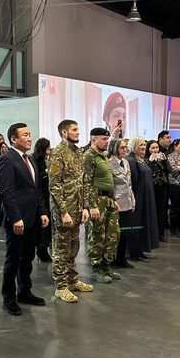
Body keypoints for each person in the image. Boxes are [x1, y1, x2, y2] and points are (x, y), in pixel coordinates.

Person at [0, 123, 49, 315]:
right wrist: (15, 218)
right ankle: (8, 297)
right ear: (13, 138)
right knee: (13, 259)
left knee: (28, 257)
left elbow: (37, 190)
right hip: (17, 220)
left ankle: (24, 292)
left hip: (32, 217)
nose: (29, 138)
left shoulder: (30, 159)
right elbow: (7, 192)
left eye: (29, 134)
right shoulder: (7, 159)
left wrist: (42, 211)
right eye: (25, 135)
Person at [48, 119, 92, 303]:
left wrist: (85, 207)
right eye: (74, 130)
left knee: (73, 247)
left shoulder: (77, 152)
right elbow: (54, 186)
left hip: (77, 209)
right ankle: (61, 287)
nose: (78, 132)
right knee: (61, 249)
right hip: (63, 211)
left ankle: (72, 281)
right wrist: (63, 212)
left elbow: (83, 182)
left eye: (78, 129)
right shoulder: (57, 153)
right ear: (64, 132)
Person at [83, 128, 121, 283]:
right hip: (97, 199)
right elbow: (87, 183)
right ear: (94, 140)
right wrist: (92, 206)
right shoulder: (88, 157)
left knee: (113, 234)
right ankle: (95, 268)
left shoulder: (103, 156)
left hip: (108, 199)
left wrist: (113, 200)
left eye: (107, 139)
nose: (107, 142)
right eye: (104, 139)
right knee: (97, 235)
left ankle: (106, 266)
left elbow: (108, 180)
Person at [125, 136, 159, 261]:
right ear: (134, 146)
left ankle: (141, 249)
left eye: (144, 145)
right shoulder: (131, 160)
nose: (143, 147)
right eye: (140, 145)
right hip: (138, 196)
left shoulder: (141, 159)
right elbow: (132, 181)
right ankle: (134, 251)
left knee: (144, 222)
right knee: (136, 223)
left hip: (146, 196)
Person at [109, 138, 136, 270]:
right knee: (114, 233)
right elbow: (110, 186)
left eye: (126, 147)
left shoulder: (125, 162)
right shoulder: (109, 163)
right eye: (122, 147)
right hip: (117, 202)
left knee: (125, 232)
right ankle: (111, 259)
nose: (125, 150)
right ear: (115, 149)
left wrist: (133, 200)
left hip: (127, 201)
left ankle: (121, 258)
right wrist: (112, 200)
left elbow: (129, 184)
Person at [145, 140, 169, 242]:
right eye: (153, 148)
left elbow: (167, 171)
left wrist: (164, 161)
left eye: (156, 147)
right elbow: (149, 173)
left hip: (162, 185)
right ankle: (153, 233)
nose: (155, 150)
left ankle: (160, 232)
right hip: (152, 186)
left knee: (162, 209)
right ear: (148, 149)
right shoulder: (146, 160)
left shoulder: (160, 159)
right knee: (153, 210)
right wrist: (151, 162)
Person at [32, 137, 52, 262]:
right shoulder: (33, 161)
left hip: (46, 194)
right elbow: (35, 179)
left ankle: (43, 248)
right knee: (41, 226)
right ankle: (41, 249)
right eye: (47, 149)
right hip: (39, 196)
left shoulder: (46, 161)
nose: (49, 152)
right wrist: (45, 173)